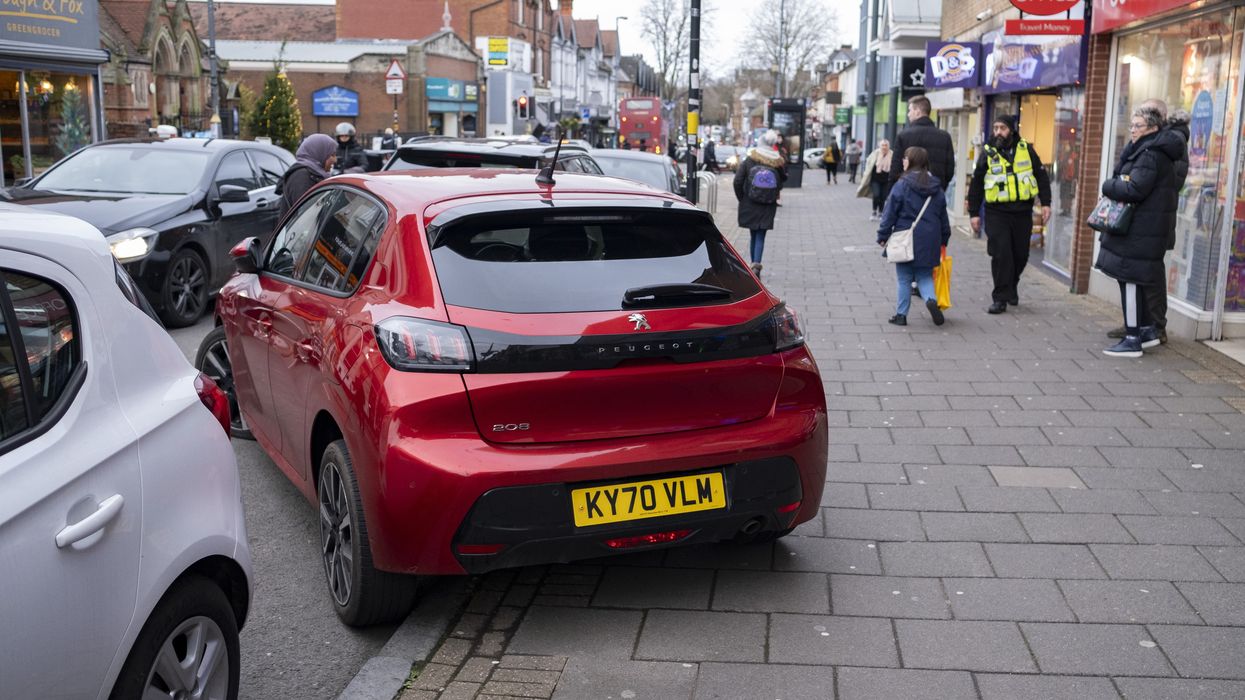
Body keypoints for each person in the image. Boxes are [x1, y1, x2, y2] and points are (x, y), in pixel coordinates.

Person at [1095, 103, 1183, 357]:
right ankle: (1146, 331)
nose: (1132, 130)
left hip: (1140, 230)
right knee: (1135, 281)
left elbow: (1135, 189)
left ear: (1152, 128)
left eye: (1138, 126)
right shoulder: (1151, 150)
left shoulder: (1150, 154)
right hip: (1144, 229)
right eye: (1131, 125)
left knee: (1131, 282)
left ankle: (1133, 339)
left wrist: (1108, 186)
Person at [966, 114, 1052, 314]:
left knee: (1021, 255)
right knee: (1001, 253)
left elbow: (1041, 176)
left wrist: (1046, 203)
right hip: (996, 213)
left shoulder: (1026, 149)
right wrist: (974, 213)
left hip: (1022, 212)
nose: (998, 132)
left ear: (1011, 130)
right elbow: (976, 183)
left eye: (1002, 128)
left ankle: (1012, 284)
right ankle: (1000, 298)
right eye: (995, 128)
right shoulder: (987, 153)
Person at [877, 146, 951, 327]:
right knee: (924, 276)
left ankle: (901, 315)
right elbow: (943, 216)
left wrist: (883, 234)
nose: (903, 161)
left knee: (904, 278)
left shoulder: (902, 185)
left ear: (911, 162)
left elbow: (890, 212)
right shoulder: (936, 187)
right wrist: (944, 239)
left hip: (905, 238)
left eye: (905, 158)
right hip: (930, 239)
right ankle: (931, 300)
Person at [733, 129, 787, 276]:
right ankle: (756, 263)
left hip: (750, 202)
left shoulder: (750, 159)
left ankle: (753, 264)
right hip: (768, 204)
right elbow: (782, 180)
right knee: (761, 234)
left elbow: (738, 181)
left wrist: (742, 198)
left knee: (753, 233)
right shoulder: (776, 161)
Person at [890, 96, 955, 192]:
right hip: (935, 192)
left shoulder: (903, 136)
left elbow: (895, 169)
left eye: (910, 110)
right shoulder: (945, 137)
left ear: (917, 112)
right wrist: (941, 187)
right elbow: (949, 170)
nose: (908, 114)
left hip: (908, 192)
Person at [276, 133, 336, 220]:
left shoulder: (312, 174)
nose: (335, 160)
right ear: (319, 153)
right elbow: (307, 217)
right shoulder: (301, 178)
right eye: (332, 155)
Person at [865, 140, 893, 220]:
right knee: (876, 195)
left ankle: (881, 212)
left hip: (886, 179)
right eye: (883, 145)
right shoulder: (876, 153)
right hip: (875, 179)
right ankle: (874, 211)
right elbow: (869, 162)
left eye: (886, 145)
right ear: (880, 146)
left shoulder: (891, 154)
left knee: (883, 196)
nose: (884, 147)